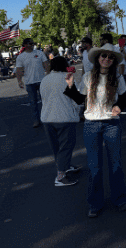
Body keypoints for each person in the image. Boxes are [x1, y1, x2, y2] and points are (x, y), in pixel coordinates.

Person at [63, 44, 126, 218]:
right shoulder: (87, 77)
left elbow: (123, 98)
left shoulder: (117, 77)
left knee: (115, 163)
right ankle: (95, 203)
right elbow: (80, 100)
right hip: (91, 124)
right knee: (95, 166)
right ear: (98, 58)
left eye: (110, 57)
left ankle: (119, 198)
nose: (106, 59)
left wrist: (118, 107)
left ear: (113, 60)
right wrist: (70, 87)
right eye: (104, 56)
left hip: (111, 124)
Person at [40, 56, 81, 186]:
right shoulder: (67, 78)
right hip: (64, 117)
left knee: (56, 147)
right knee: (66, 146)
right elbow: (76, 100)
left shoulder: (45, 79)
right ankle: (60, 176)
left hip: (47, 118)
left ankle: (65, 165)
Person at [15, 39, 50, 127]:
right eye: (30, 44)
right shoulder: (21, 57)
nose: (32, 45)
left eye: (33, 43)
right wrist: (19, 81)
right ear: (25, 45)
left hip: (41, 81)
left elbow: (46, 64)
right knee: (33, 102)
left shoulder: (40, 53)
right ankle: (36, 120)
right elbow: (18, 70)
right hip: (29, 82)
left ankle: (46, 118)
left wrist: (49, 75)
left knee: (45, 101)